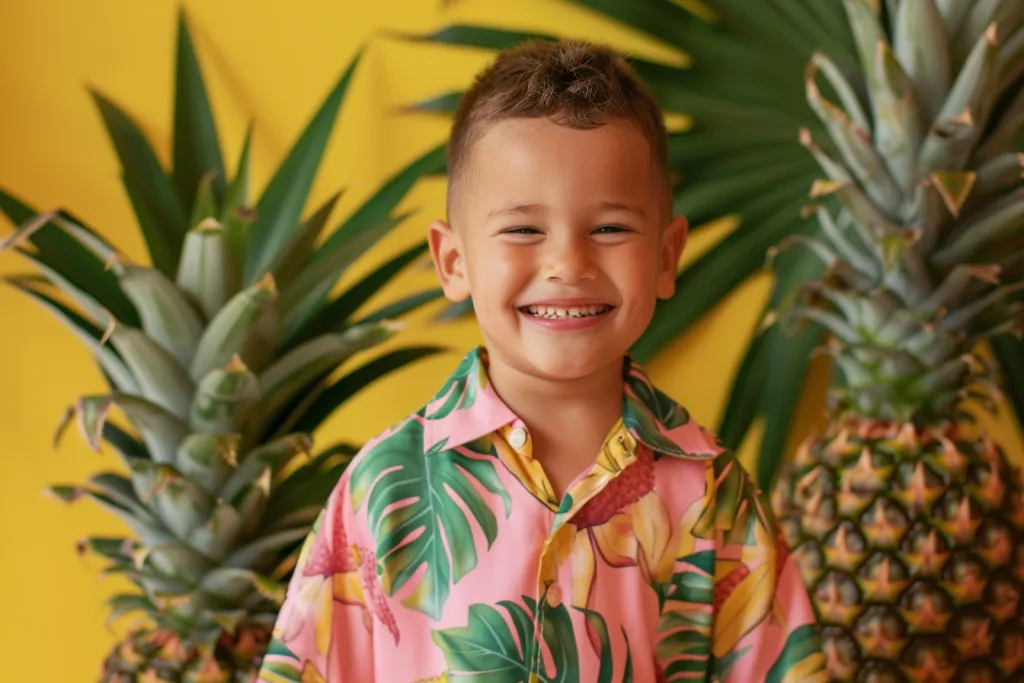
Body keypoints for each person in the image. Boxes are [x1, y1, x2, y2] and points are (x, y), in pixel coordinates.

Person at [256, 38, 823, 683]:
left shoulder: (715, 497)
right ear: (454, 262)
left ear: (667, 256)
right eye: (523, 230)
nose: (568, 264)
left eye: (609, 229)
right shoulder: (382, 490)